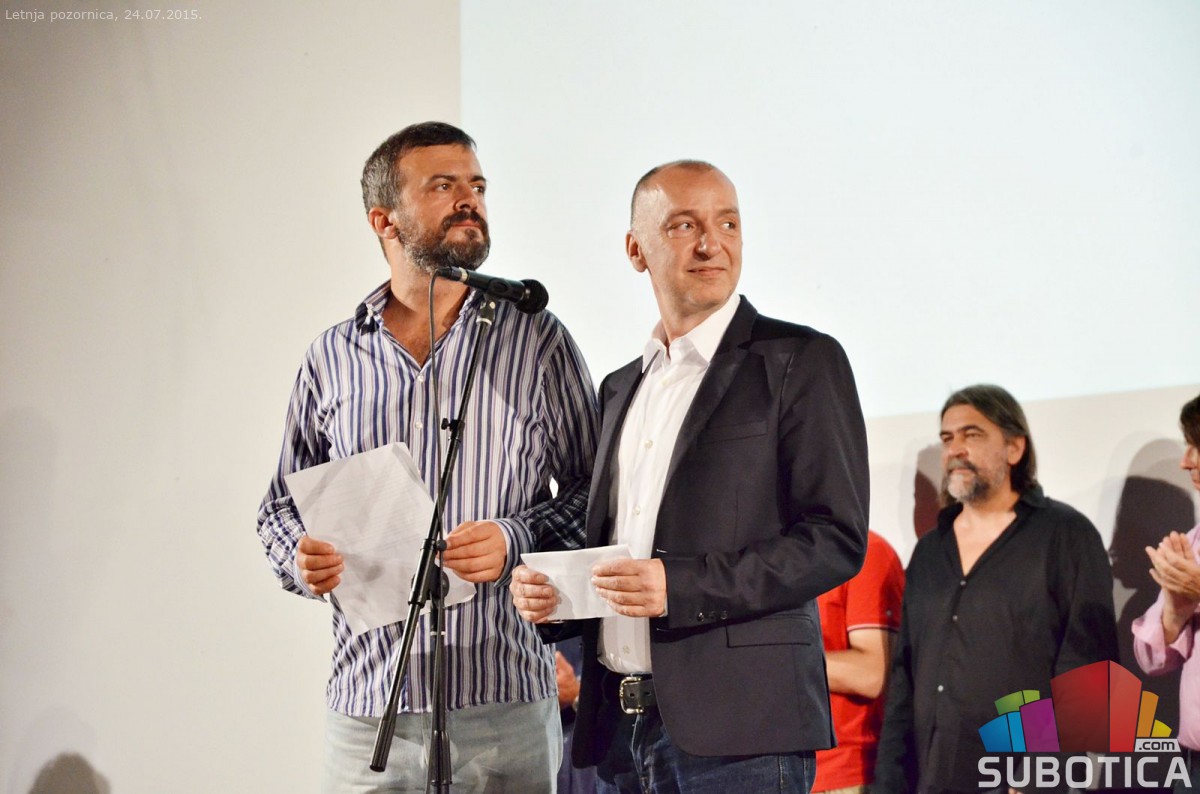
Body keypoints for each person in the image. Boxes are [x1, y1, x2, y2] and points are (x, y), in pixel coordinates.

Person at [255, 121, 598, 793]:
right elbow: (278, 512)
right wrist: (300, 558)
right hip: (369, 711)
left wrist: (515, 537)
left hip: (506, 703)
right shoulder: (332, 357)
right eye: (443, 186)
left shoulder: (535, 339)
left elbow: (597, 497)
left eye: (477, 186)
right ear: (384, 220)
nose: (469, 200)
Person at [511, 160, 870, 793]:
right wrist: (559, 603)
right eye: (683, 225)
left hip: (743, 734)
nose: (712, 244)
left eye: (727, 223)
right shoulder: (620, 388)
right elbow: (619, 546)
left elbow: (834, 540)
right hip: (621, 734)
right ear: (636, 250)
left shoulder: (799, 360)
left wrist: (678, 585)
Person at [875, 384, 1119, 793]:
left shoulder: (1065, 536)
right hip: (931, 778)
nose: (955, 449)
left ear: (1014, 448)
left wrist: (1042, 775)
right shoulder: (930, 551)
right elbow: (905, 677)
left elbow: (1089, 670)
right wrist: (889, 782)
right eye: (947, 438)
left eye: (972, 435)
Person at [1132, 393, 1200, 793]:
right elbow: (1153, 660)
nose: (1186, 461)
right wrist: (1176, 609)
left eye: (1197, 446)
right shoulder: (1193, 541)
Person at [814, 530, 905, 794]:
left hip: (841, 774)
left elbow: (872, 673)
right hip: (769, 768)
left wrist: (776, 661)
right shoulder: (768, 554)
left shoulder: (867, 551)